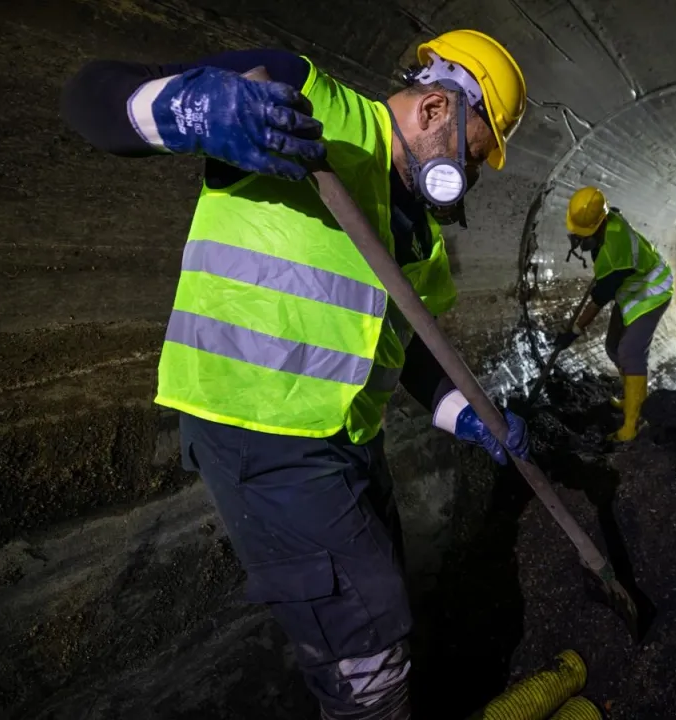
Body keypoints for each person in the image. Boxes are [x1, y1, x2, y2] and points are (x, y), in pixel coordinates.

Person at [61, 31, 530, 720]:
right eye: (476, 153)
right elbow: (90, 96)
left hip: (347, 442)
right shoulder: (299, 98)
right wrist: (197, 110)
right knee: (366, 646)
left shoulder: (420, 239)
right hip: (259, 429)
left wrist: (472, 417)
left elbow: (408, 352)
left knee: (378, 600)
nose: (473, 174)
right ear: (436, 109)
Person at [554, 186, 673, 442]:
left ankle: (633, 424)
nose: (578, 240)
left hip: (652, 291)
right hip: (631, 291)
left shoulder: (615, 250)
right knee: (612, 347)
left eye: (583, 235)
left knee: (630, 353)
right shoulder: (607, 219)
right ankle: (632, 398)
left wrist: (573, 332)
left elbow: (598, 300)